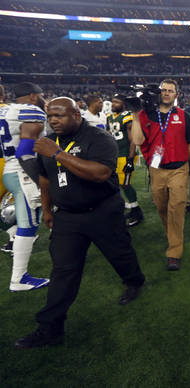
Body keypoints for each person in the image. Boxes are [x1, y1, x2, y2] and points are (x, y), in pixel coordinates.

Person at [15, 97, 145, 349]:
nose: (53, 120)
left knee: (119, 253)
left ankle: (134, 281)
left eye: (59, 115)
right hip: (67, 216)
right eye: (50, 116)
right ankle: (50, 328)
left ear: (76, 114)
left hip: (102, 211)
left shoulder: (98, 137)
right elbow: (44, 179)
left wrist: (59, 155)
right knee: (63, 271)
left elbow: (100, 174)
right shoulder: (49, 142)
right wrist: (48, 208)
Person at [131, 79, 190, 271]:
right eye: (164, 90)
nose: (167, 93)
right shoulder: (146, 115)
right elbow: (137, 140)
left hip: (179, 169)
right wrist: (136, 115)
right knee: (162, 208)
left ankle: (174, 252)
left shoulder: (183, 115)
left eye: (171, 91)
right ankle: (172, 235)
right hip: (156, 170)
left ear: (176, 95)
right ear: (159, 93)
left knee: (176, 208)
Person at [0, 82, 50, 291]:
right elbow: (25, 152)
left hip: (9, 169)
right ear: (32, 96)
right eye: (41, 95)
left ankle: (20, 276)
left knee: (27, 222)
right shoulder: (30, 111)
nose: (43, 98)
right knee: (28, 225)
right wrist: (41, 182)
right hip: (23, 171)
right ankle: (19, 278)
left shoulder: (5, 110)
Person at [107, 94, 144, 226]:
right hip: (115, 155)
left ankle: (137, 212)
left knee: (125, 184)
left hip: (125, 155)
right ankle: (132, 208)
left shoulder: (127, 116)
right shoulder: (110, 117)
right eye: (112, 101)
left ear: (123, 104)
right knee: (119, 183)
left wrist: (130, 158)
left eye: (116, 102)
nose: (113, 104)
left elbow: (133, 138)